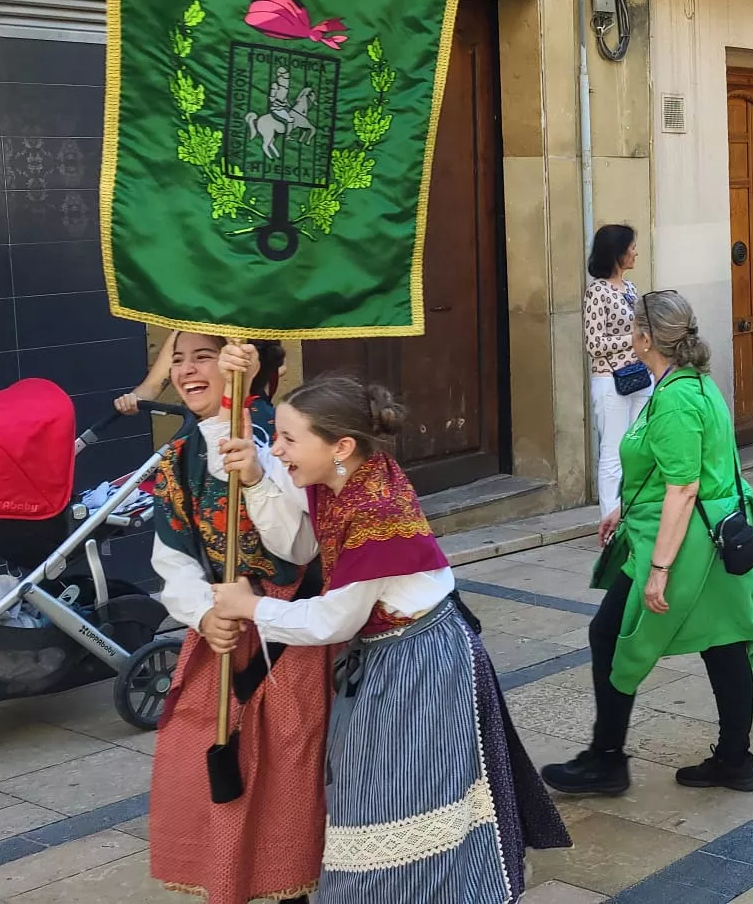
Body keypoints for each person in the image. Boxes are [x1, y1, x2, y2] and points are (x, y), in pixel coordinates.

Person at [210, 370, 569, 902]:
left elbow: (335, 620)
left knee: (399, 797)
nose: (278, 448)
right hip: (386, 657)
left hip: (421, 662)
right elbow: (302, 545)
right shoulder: (343, 478)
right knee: (371, 793)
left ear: (342, 445)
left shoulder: (376, 509)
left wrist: (252, 607)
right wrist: (260, 478)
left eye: (287, 438)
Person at [543, 290, 753, 796]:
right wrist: (623, 509)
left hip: (685, 544)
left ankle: (607, 760)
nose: (630, 333)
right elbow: (682, 471)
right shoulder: (692, 384)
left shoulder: (674, 398)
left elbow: (684, 486)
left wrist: (658, 569)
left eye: (634, 327)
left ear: (648, 338)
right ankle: (734, 760)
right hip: (713, 536)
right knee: (723, 646)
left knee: (610, 634)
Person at [131, 335, 324, 904]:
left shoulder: (282, 434)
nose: (188, 370)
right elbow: (173, 558)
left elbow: (301, 545)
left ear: (245, 358)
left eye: (204, 355)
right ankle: (236, 882)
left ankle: (293, 888)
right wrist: (204, 611)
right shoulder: (179, 454)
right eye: (179, 357)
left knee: (290, 779)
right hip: (223, 637)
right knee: (218, 776)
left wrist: (261, 475)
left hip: (291, 639)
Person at [585, 224, 649, 516]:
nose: (636, 251)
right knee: (612, 452)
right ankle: (610, 519)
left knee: (638, 448)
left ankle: (633, 511)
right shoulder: (597, 291)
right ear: (618, 252)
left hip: (639, 376)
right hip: (611, 380)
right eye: (631, 246)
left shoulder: (631, 288)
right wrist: (634, 339)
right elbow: (594, 344)